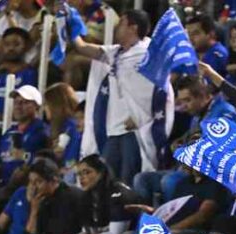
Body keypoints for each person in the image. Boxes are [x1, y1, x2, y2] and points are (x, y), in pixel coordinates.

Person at [72, 9, 175, 181]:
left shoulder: (149, 55)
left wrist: (140, 116)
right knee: (106, 181)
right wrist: (69, 20)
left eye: (121, 23)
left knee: (127, 181)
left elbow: (157, 90)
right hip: (113, 130)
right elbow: (82, 47)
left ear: (132, 28)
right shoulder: (116, 53)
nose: (116, 27)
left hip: (134, 131)